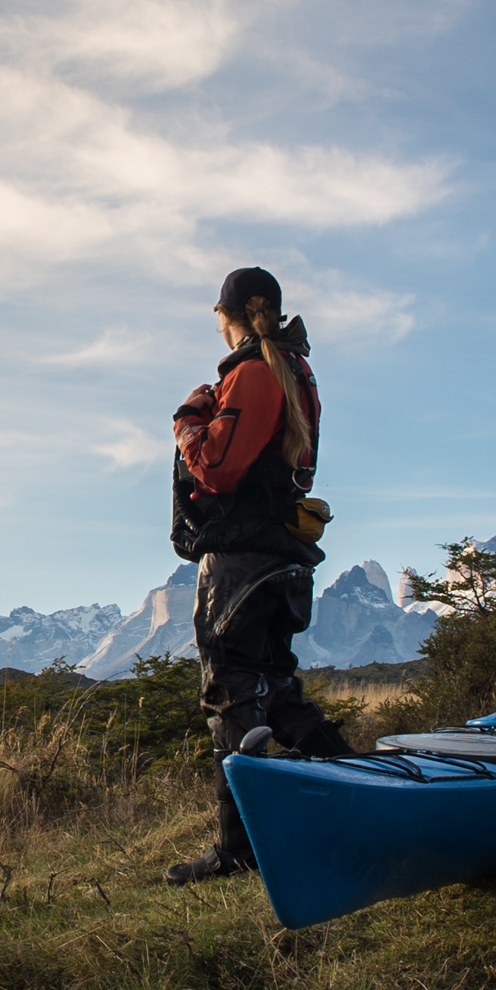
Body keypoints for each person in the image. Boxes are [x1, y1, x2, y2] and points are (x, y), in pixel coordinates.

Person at [165, 266, 351, 886]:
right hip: (285, 555)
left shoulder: (251, 372)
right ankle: (361, 781)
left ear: (234, 314)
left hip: (241, 560)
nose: (216, 325)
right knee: (276, 681)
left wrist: (189, 416)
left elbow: (216, 467)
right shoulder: (299, 371)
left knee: (230, 690)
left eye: (217, 315)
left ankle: (237, 848)